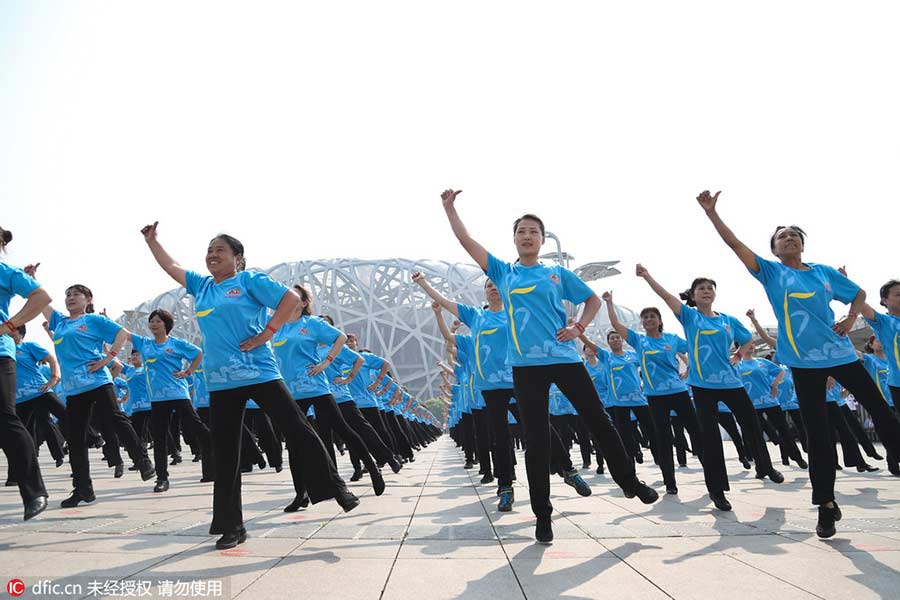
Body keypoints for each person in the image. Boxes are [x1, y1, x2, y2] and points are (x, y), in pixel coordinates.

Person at [440, 189, 658, 544]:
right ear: (514, 240)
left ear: (542, 240)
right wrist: (451, 210)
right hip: (526, 368)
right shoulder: (503, 272)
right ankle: (543, 514)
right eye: (521, 232)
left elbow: (590, 300)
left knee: (598, 420)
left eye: (534, 232)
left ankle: (629, 481)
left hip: (565, 358)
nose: (527, 236)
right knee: (537, 437)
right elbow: (466, 239)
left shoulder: (557, 273)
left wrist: (579, 328)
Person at [140, 221, 358, 549]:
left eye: (220, 250)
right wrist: (152, 241)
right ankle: (232, 526)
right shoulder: (201, 286)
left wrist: (267, 333)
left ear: (237, 258)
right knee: (226, 452)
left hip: (260, 372)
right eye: (209, 251)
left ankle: (336, 487)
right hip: (220, 382)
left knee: (298, 429)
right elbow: (171, 266)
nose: (212, 255)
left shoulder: (248, 280)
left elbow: (287, 299)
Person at [696, 189, 900, 537]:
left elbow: (859, 293)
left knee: (881, 410)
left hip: (840, 353)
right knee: (818, 435)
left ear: (802, 244)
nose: (788, 238)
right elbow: (735, 245)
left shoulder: (822, 272)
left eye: (794, 235)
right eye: (781, 237)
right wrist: (712, 214)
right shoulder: (771, 273)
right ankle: (826, 505)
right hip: (804, 365)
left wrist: (851, 318)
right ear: (774, 249)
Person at [637, 264, 783, 512]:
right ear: (693, 296)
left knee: (752, 425)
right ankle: (717, 491)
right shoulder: (690, 317)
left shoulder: (728, 320)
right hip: (702, 387)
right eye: (700, 289)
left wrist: (738, 353)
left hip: (731, 383)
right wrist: (648, 275)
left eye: (709, 288)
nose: (706, 291)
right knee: (710, 438)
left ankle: (765, 466)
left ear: (714, 294)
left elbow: (747, 338)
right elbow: (666, 296)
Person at [601, 292, 703, 495]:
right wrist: (610, 303)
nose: (648, 319)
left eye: (652, 316)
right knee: (662, 439)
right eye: (645, 317)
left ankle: (712, 476)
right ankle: (670, 482)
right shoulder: (639, 341)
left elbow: (695, 346)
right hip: (655, 398)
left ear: (659, 321)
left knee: (698, 434)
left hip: (679, 393)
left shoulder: (672, 339)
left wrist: (689, 370)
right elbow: (616, 324)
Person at [0, 228, 51, 521]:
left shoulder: (4, 271)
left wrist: (10, 324)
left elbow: (41, 296)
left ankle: (34, 492)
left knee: (6, 418)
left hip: (0, 354)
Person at [131, 309, 213, 491]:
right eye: (151, 321)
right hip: (157, 399)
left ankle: (218, 459)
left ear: (166, 324)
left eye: (158, 321)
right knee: (159, 439)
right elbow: (124, 334)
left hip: (178, 394)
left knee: (198, 428)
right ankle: (162, 478)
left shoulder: (177, 344)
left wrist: (188, 371)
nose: (154, 324)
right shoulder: (144, 344)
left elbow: (198, 354)